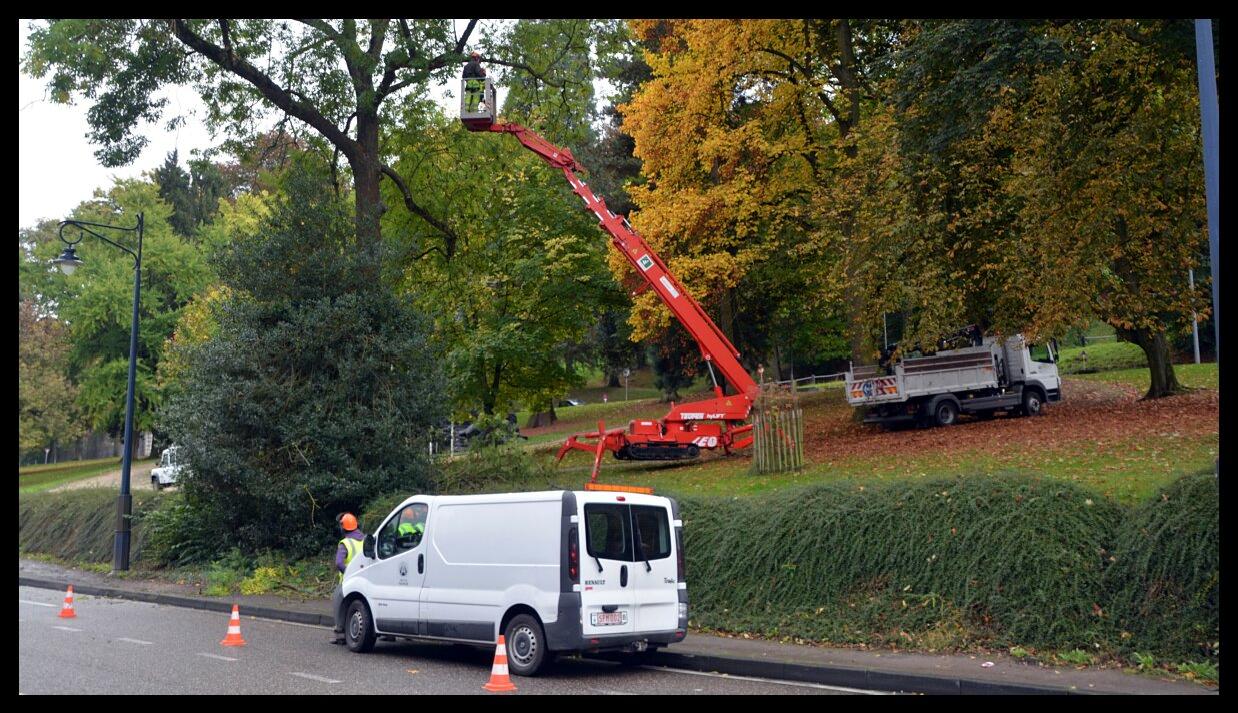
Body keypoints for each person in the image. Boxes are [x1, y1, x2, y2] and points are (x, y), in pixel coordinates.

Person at [331, 512, 365, 645]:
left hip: (348, 580)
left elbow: (339, 563)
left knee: (338, 602)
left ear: (343, 528)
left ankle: (340, 634)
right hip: (364, 579)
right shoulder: (365, 539)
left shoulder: (344, 543)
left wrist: (349, 572)